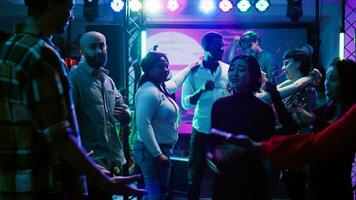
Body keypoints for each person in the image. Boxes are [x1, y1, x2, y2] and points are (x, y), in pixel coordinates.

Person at [0, 0, 145, 199]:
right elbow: (60, 135)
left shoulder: (10, 47)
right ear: (51, 4)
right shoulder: (41, 54)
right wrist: (100, 178)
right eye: (68, 6)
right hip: (41, 182)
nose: (72, 15)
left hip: (16, 179)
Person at [69, 31, 131, 199]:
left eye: (102, 46)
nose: (99, 51)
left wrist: (126, 115)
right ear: (82, 52)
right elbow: (68, 122)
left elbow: (122, 107)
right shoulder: (74, 79)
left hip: (113, 159)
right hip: (92, 163)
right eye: (93, 47)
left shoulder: (107, 79)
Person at [209, 55, 275, 199]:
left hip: (252, 177)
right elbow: (212, 142)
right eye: (232, 69)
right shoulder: (219, 105)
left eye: (241, 69)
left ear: (253, 75)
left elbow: (267, 149)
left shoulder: (264, 110)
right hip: (225, 177)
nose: (234, 73)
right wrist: (215, 153)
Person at [134, 51, 198, 200]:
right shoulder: (149, 92)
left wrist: (189, 68)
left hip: (159, 150)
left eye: (167, 66)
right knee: (154, 194)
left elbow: (175, 83)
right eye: (160, 67)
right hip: (151, 151)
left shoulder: (160, 87)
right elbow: (143, 125)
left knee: (158, 193)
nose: (165, 70)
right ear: (149, 70)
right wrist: (157, 154)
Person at [181, 31, 230, 200]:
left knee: (223, 174)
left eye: (223, 45)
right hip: (201, 129)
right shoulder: (194, 72)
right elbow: (186, 103)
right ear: (206, 47)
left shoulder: (227, 70)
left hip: (224, 131)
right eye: (218, 45)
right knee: (195, 174)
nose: (222, 48)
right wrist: (201, 90)